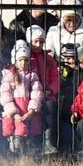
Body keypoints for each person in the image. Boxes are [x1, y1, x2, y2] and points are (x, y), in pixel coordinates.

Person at [0, 42, 42, 156]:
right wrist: (13, 112)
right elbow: (5, 95)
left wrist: (32, 110)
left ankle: (28, 149)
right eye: (20, 60)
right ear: (15, 61)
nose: (23, 63)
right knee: (11, 127)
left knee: (28, 127)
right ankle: (13, 150)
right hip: (14, 109)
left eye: (26, 60)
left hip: (28, 108)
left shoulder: (32, 75)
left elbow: (37, 91)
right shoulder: (9, 76)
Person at [24, 26, 62, 155]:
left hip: (46, 94)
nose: (38, 44)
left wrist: (50, 91)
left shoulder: (48, 59)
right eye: (35, 41)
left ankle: (48, 142)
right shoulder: (26, 58)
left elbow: (55, 78)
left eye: (41, 41)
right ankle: (31, 143)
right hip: (29, 95)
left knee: (50, 109)